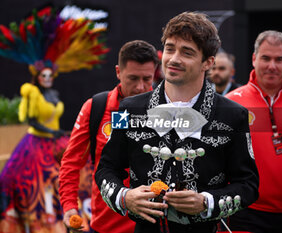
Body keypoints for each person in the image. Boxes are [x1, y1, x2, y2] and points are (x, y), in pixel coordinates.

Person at [94, 12, 259, 233]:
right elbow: (106, 168)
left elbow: (248, 185)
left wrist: (206, 203)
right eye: (170, 48)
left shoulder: (233, 114)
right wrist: (125, 197)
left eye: (187, 52)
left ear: (208, 63)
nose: (174, 59)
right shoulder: (127, 109)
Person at [0, 7, 109, 233]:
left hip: (54, 142)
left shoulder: (53, 95)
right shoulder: (31, 92)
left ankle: (78, 215)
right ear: (37, 76)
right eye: (44, 76)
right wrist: (52, 133)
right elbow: (31, 120)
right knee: (11, 180)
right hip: (35, 144)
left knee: (80, 170)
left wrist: (58, 134)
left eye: (50, 75)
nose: (47, 79)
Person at [59, 40, 159, 233]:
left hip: (154, 225)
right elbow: (71, 161)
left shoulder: (168, 110)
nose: (140, 87)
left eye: (147, 79)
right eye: (133, 78)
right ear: (118, 72)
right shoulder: (97, 107)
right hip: (106, 226)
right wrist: (69, 205)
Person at [226, 31, 282, 233]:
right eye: (266, 58)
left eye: (279, 59)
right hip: (246, 209)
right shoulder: (233, 102)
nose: (272, 66)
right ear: (254, 59)